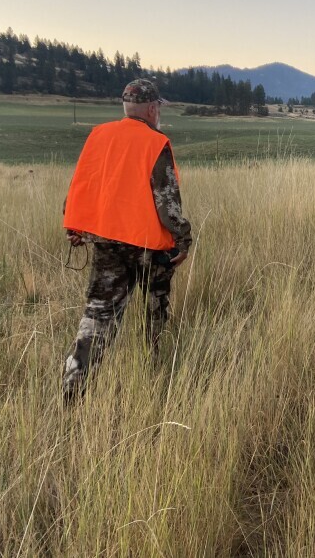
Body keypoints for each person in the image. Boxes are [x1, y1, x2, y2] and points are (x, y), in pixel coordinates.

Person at [61, 78, 192, 401]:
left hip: (107, 244)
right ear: (151, 108)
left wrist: (76, 226)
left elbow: (82, 184)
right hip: (149, 247)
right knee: (155, 309)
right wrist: (183, 238)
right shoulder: (154, 142)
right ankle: (157, 371)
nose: (158, 113)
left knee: (98, 315)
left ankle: (75, 383)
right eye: (158, 108)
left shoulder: (99, 136)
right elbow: (167, 204)